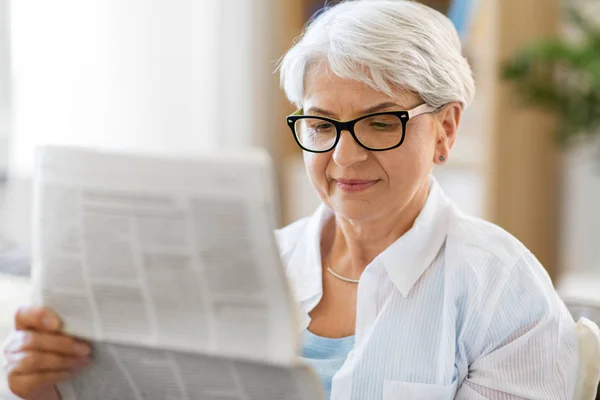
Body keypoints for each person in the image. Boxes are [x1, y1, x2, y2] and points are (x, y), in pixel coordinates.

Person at [3, 1, 579, 399]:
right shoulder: (250, 267)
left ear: (446, 129)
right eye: (323, 124)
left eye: (380, 124)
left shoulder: (501, 290)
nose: (344, 158)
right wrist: (53, 382)